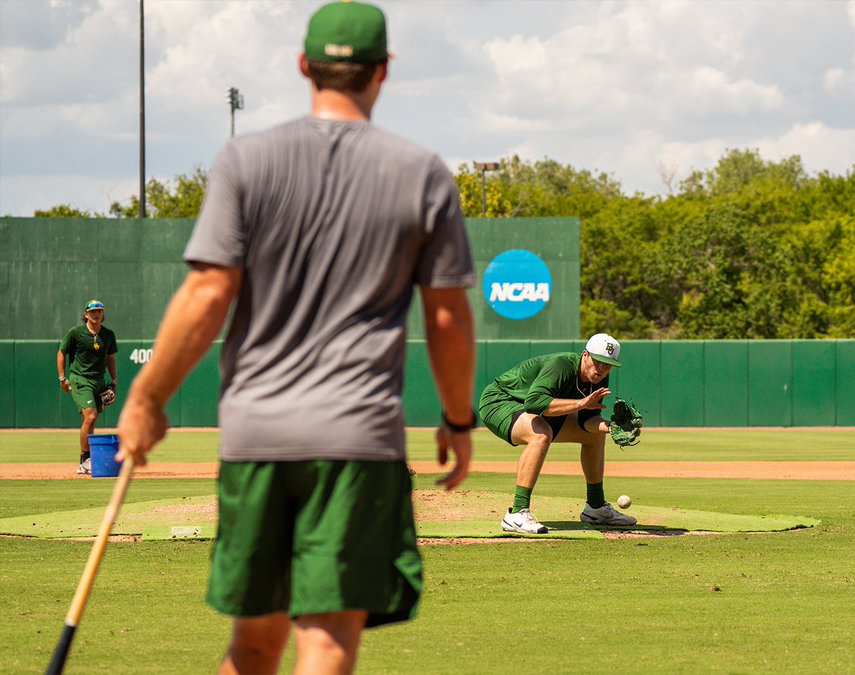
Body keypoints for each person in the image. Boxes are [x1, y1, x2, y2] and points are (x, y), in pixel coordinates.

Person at [116, 2, 476, 672]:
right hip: (355, 438)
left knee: (252, 643)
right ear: (384, 72)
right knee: (326, 637)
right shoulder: (421, 170)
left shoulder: (244, 161)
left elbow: (206, 294)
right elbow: (448, 317)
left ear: (304, 66)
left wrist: (146, 397)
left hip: (257, 436)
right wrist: (459, 419)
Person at [480, 332, 637, 534]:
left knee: (594, 435)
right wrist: (581, 404)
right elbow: (534, 402)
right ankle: (517, 513)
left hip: (529, 408)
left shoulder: (598, 379)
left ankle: (595, 507)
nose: (601, 369)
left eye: (607, 364)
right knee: (541, 433)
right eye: (597, 361)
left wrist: (610, 426)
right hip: (500, 401)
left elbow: (587, 422)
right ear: (585, 355)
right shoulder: (561, 366)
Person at [57, 299, 118, 475]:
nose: (96, 314)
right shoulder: (76, 333)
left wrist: (114, 381)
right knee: (90, 416)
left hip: (98, 380)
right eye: (92, 311)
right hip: (80, 379)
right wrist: (63, 378)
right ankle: (85, 459)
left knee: (91, 419)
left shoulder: (108, 335)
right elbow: (61, 352)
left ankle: (87, 460)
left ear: (102, 314)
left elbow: (110, 358)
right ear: (86, 315)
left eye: (99, 311)